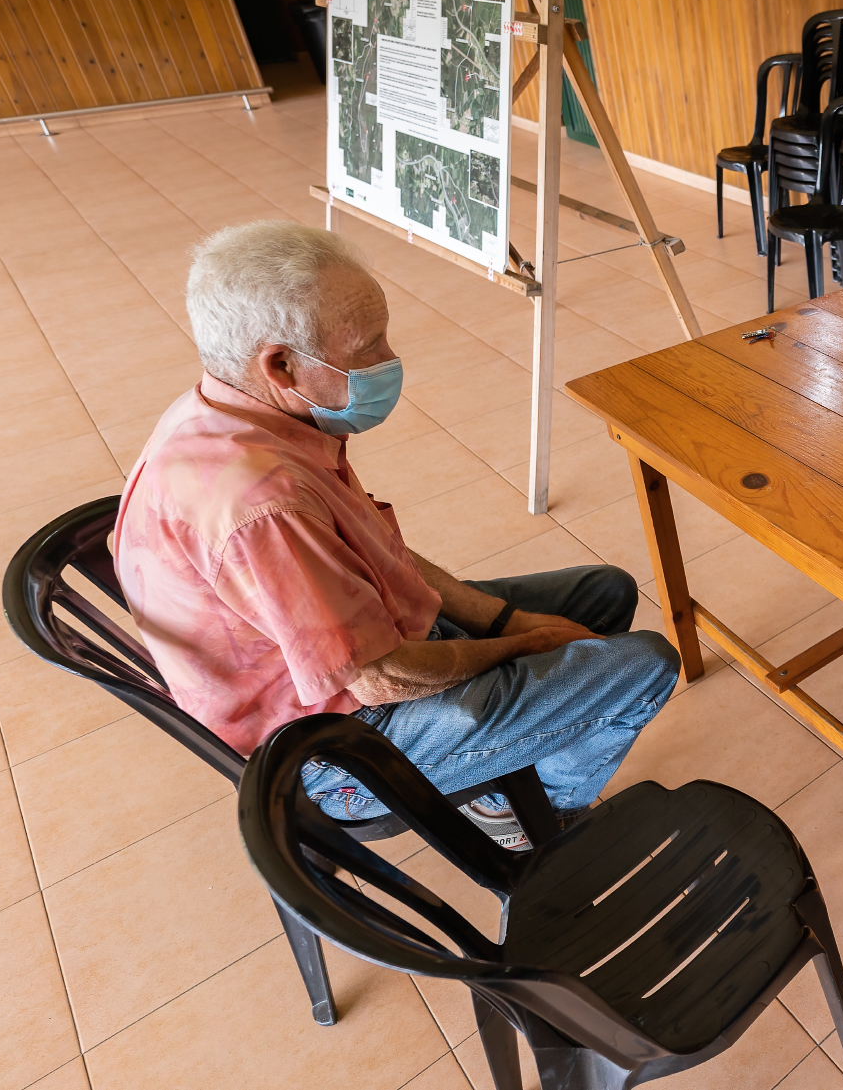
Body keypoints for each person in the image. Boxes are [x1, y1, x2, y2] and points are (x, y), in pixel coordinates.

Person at [115, 220, 679, 846]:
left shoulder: (238, 409)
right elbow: (380, 676)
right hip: (335, 748)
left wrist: (506, 622)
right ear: (280, 364)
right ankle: (529, 816)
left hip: (357, 656)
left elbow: (381, 554)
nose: (389, 361)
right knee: (645, 665)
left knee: (606, 591)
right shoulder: (262, 501)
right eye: (368, 347)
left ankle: (511, 772)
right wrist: (526, 644)